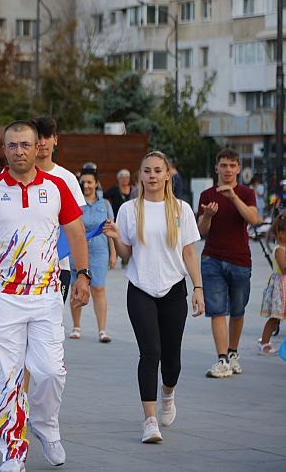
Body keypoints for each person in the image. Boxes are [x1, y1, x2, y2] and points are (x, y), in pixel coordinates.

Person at [0, 121, 90, 472]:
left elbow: (76, 232)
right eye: (12, 145)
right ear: (4, 149)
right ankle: (13, 451)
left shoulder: (57, 187)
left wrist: (83, 275)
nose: (19, 151)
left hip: (46, 294)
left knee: (50, 372)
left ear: (37, 147)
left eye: (25, 144)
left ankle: (45, 425)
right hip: (3, 297)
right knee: (8, 377)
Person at [103, 151, 204, 444]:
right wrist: (115, 237)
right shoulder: (130, 209)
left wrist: (198, 288)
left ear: (167, 175)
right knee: (150, 353)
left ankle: (168, 394)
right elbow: (127, 255)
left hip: (174, 289)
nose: (152, 176)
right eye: (147, 171)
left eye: (158, 170)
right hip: (141, 288)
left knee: (172, 359)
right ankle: (149, 421)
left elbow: (189, 252)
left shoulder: (181, 209)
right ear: (140, 175)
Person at [197, 149, 259, 378]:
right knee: (217, 310)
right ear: (217, 168)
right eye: (223, 165)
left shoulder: (247, 193)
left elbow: (253, 219)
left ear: (238, 169)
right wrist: (208, 216)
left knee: (238, 309)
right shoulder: (206, 195)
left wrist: (233, 197)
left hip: (240, 259)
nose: (228, 170)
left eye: (232, 166)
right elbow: (200, 231)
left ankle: (233, 353)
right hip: (212, 259)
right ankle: (222, 359)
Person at [30, 116, 86, 301]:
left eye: (47, 137)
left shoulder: (67, 179)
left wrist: (83, 273)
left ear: (55, 140)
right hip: (21, 265)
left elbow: (78, 228)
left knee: (52, 318)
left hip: (58, 266)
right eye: (38, 137)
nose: (42, 142)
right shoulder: (16, 175)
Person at [69, 167, 117, 342]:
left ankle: (102, 330)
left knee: (98, 288)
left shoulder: (105, 205)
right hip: (77, 250)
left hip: (99, 250)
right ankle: (76, 326)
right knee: (76, 287)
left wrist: (113, 253)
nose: (86, 185)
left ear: (96, 183)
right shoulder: (75, 202)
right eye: (83, 182)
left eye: (90, 182)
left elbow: (110, 230)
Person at [258, 213, 286, 355]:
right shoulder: (279, 250)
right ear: (281, 234)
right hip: (280, 288)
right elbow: (284, 269)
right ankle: (264, 343)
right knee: (275, 318)